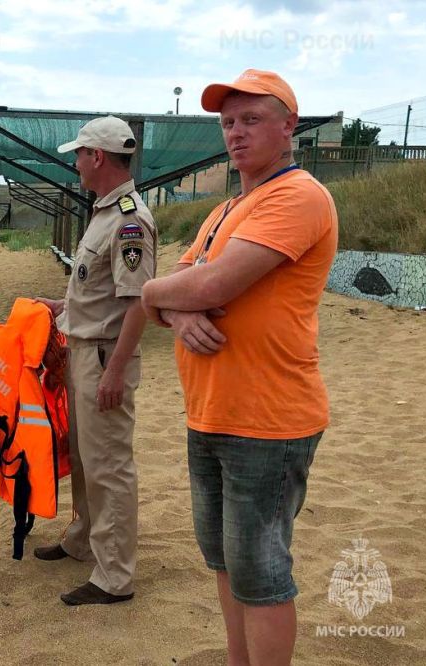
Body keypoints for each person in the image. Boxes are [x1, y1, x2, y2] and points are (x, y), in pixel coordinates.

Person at [141, 70, 338, 665]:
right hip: (211, 412)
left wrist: (151, 294)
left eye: (251, 120)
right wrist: (173, 314)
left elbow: (215, 280)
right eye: (228, 122)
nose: (236, 133)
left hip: (268, 419)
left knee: (261, 573)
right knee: (225, 563)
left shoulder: (299, 196)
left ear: (288, 127)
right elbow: (183, 287)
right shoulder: (228, 207)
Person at [31, 116, 157, 606]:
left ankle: (114, 576)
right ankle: (84, 539)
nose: (76, 163)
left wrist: (114, 371)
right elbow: (100, 291)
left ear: (98, 157)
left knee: (109, 466)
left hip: (104, 358)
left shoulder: (129, 219)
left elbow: (137, 303)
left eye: (79, 155)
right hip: (84, 350)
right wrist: (63, 308)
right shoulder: (104, 213)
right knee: (85, 459)